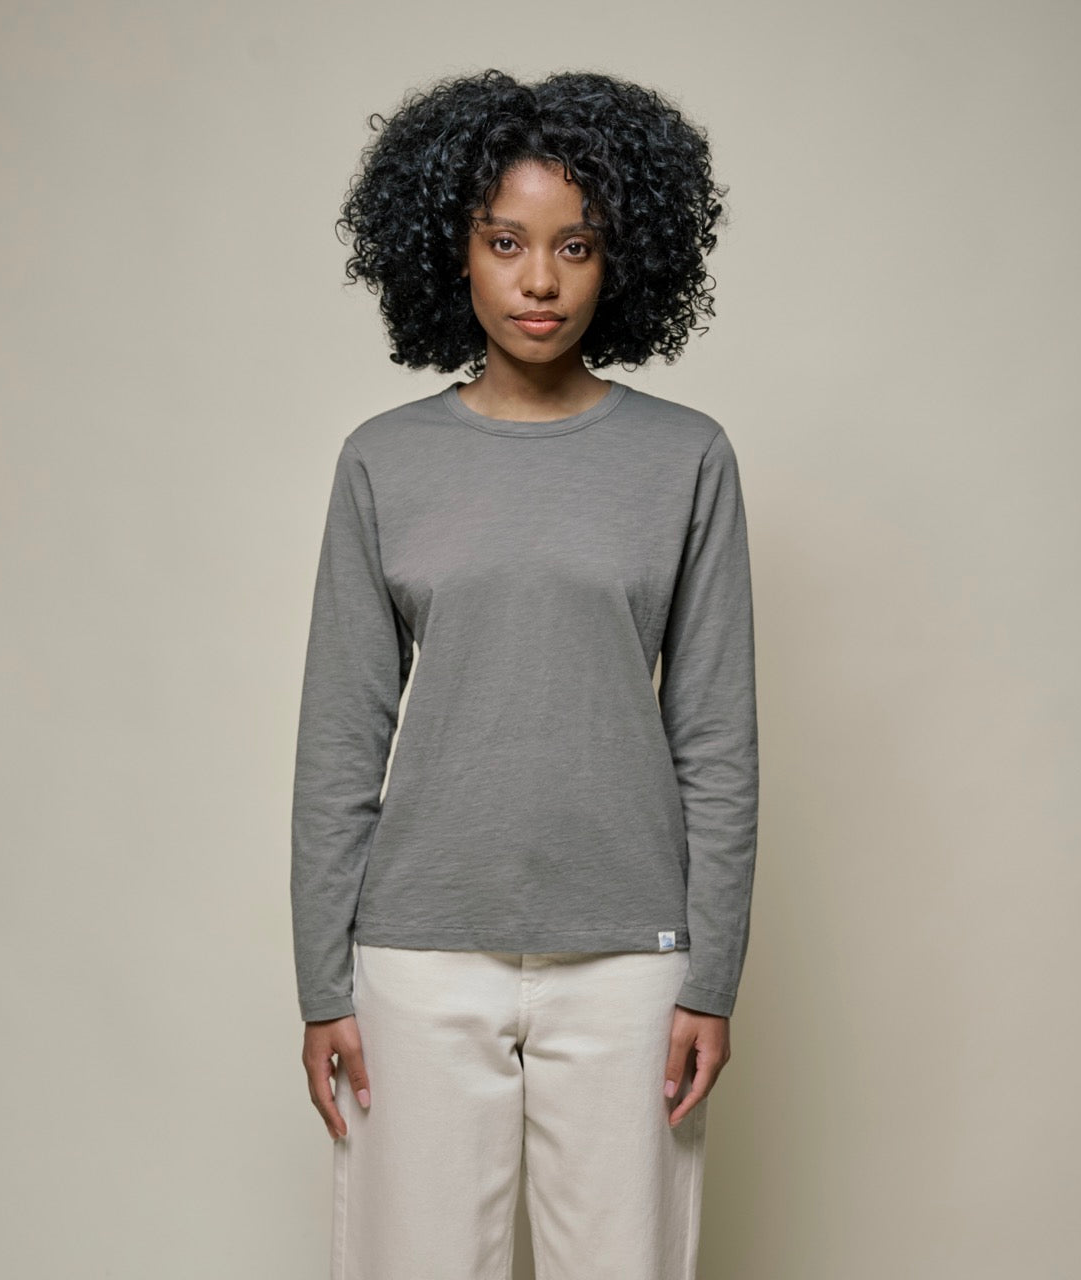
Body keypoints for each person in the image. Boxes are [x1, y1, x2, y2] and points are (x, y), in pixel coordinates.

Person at [290, 67, 759, 1280]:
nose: (539, 280)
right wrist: (323, 982)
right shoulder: (383, 461)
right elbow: (341, 736)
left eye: (575, 245)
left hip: (632, 959)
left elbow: (716, 739)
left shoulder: (685, 458)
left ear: (624, 258)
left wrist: (710, 976)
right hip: (416, 956)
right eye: (506, 241)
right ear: (451, 250)